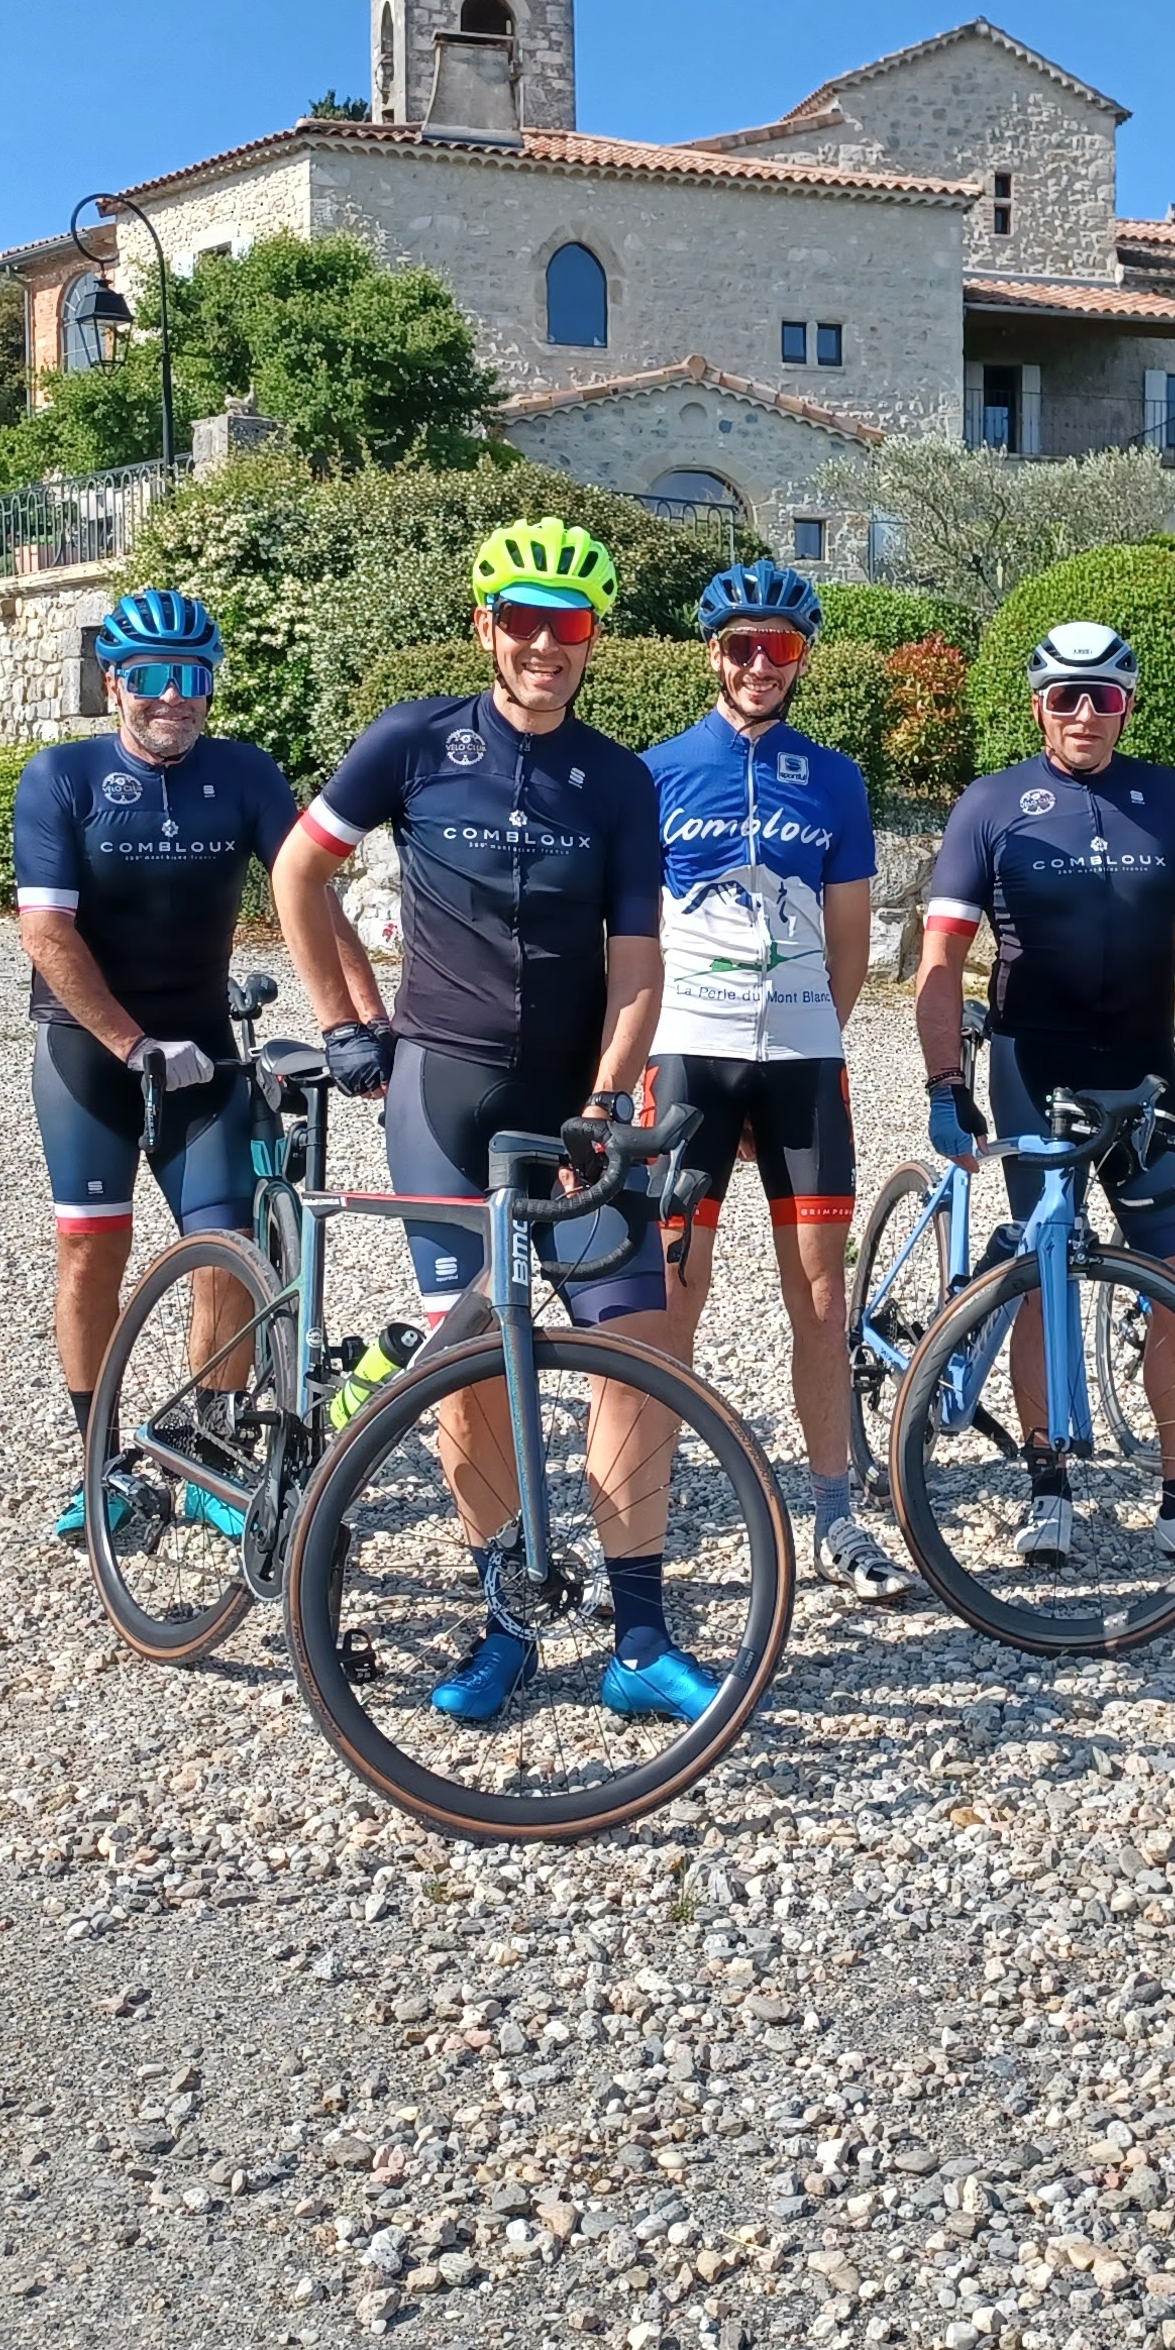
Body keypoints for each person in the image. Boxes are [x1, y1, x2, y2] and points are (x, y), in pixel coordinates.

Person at [267, 517, 713, 1724]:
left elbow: (638, 965)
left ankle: (638, 1636)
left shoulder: (617, 779)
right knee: (464, 1364)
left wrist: (608, 1098)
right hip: (443, 1093)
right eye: (522, 621)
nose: (543, 646)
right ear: (486, 626)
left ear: (592, 639)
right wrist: (346, 1019)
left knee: (635, 1353)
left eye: (567, 626)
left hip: (571, 1102)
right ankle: (506, 1620)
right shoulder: (415, 739)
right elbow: (299, 872)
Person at [916, 620, 1175, 1566]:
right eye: (1065, 696)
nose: (1083, 713)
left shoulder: (1170, 800)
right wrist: (946, 1082)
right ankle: (1048, 1484)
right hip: (1036, 1069)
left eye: (1102, 696)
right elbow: (940, 958)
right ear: (1039, 706)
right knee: (1049, 1272)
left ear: (1127, 705)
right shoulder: (992, 803)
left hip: (1146, 1070)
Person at [640, 558, 909, 1604]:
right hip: (688, 1052)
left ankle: (835, 1513)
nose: (762, 664)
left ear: (801, 659)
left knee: (823, 1292)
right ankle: (646, 1520)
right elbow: (632, 937)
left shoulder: (834, 778)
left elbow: (851, 942)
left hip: (801, 1057)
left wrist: (805, 1036)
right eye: (744, 646)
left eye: (781, 647)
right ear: (714, 654)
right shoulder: (657, 771)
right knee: (673, 1292)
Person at [13, 589, 306, 1539]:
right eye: (150, 677)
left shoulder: (244, 773)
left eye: (192, 676)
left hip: (201, 1045)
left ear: (211, 685)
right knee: (91, 1247)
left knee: (229, 1247)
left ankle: (211, 1449)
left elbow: (304, 892)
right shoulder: (62, 776)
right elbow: (46, 933)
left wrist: (362, 1018)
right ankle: (98, 1464)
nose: (172, 695)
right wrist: (131, 1044)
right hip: (90, 1047)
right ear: (114, 683)